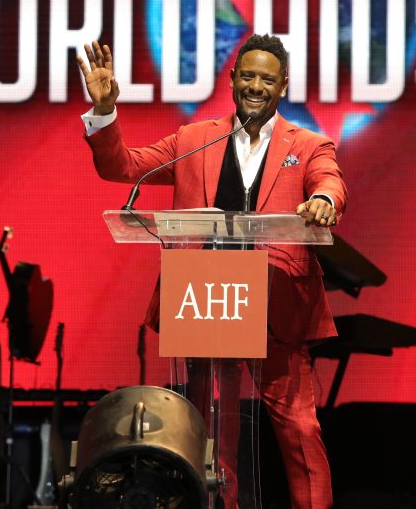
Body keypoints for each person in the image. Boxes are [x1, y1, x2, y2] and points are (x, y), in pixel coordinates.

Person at [78, 34, 345, 509]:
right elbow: (123, 167)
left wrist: (323, 201)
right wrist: (104, 111)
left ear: (283, 86)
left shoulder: (308, 144)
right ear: (232, 80)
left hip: (277, 306)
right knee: (212, 435)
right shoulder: (194, 139)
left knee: (300, 432)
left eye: (267, 78)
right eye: (247, 76)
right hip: (208, 302)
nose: (255, 86)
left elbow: (328, 181)